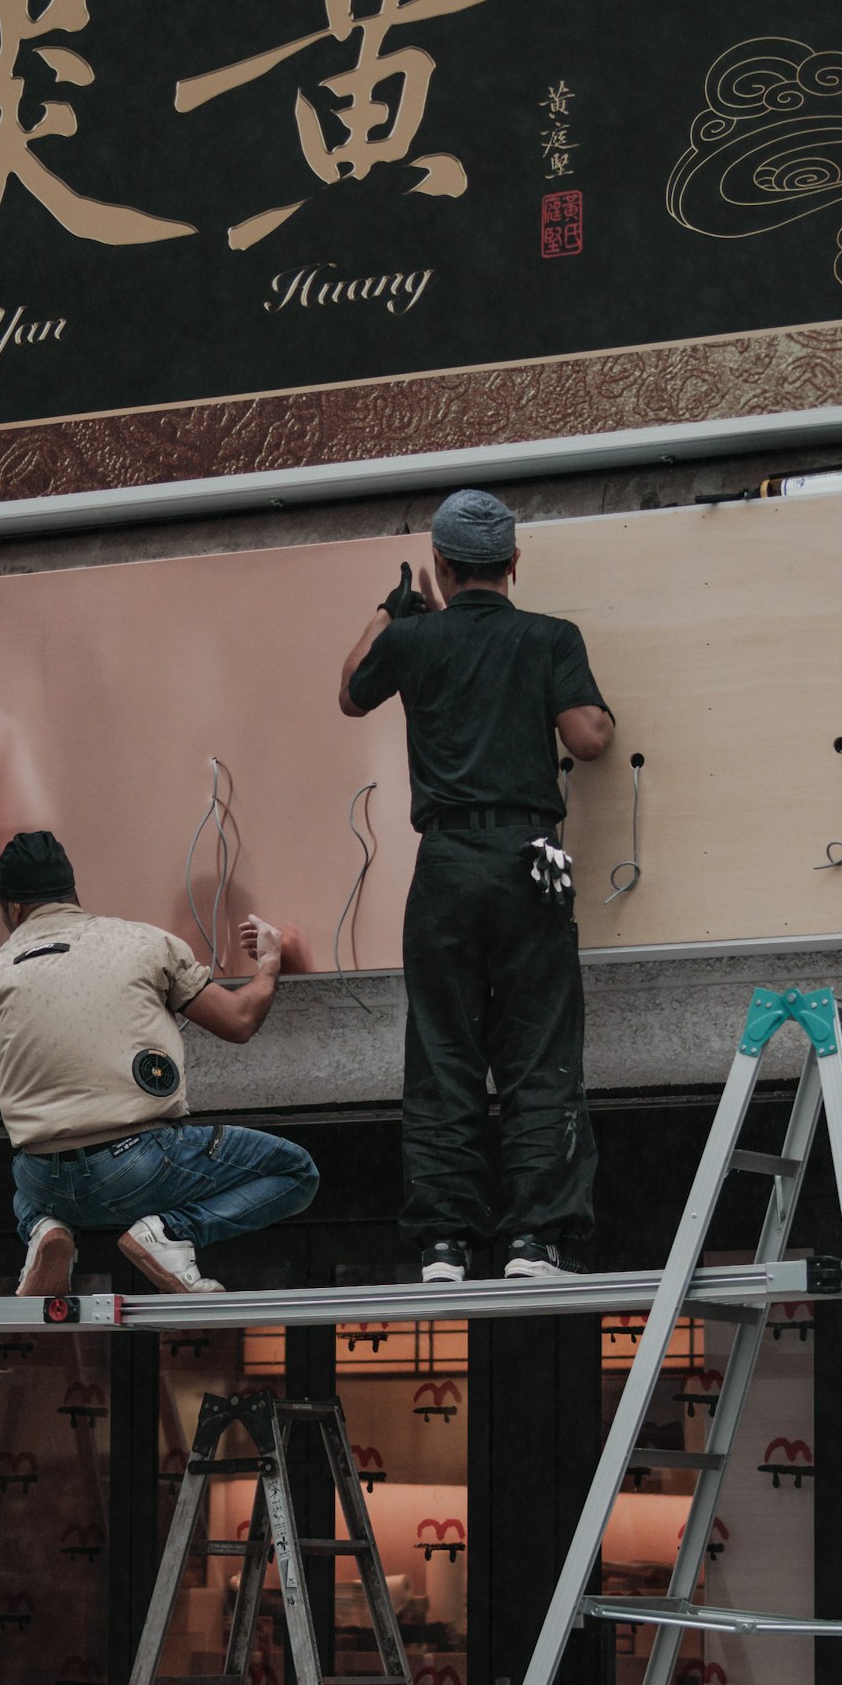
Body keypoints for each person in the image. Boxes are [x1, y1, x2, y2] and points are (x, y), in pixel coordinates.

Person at [334, 487, 619, 1280]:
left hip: (447, 862)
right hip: (534, 855)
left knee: (443, 1050)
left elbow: (349, 690)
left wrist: (393, 613)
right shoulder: (550, 637)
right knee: (541, 1048)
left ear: (440, 565)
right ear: (514, 564)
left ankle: (444, 1245)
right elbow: (589, 737)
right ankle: (536, 1240)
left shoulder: (415, 639)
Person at [0, 832, 314, 1297]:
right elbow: (239, 1021)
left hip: (43, 1178)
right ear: (73, 895)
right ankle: (171, 1232)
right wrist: (269, 961)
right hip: (137, 1165)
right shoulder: (142, 943)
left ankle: (44, 1231)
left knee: (26, 1178)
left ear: (13, 910)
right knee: (295, 1172)